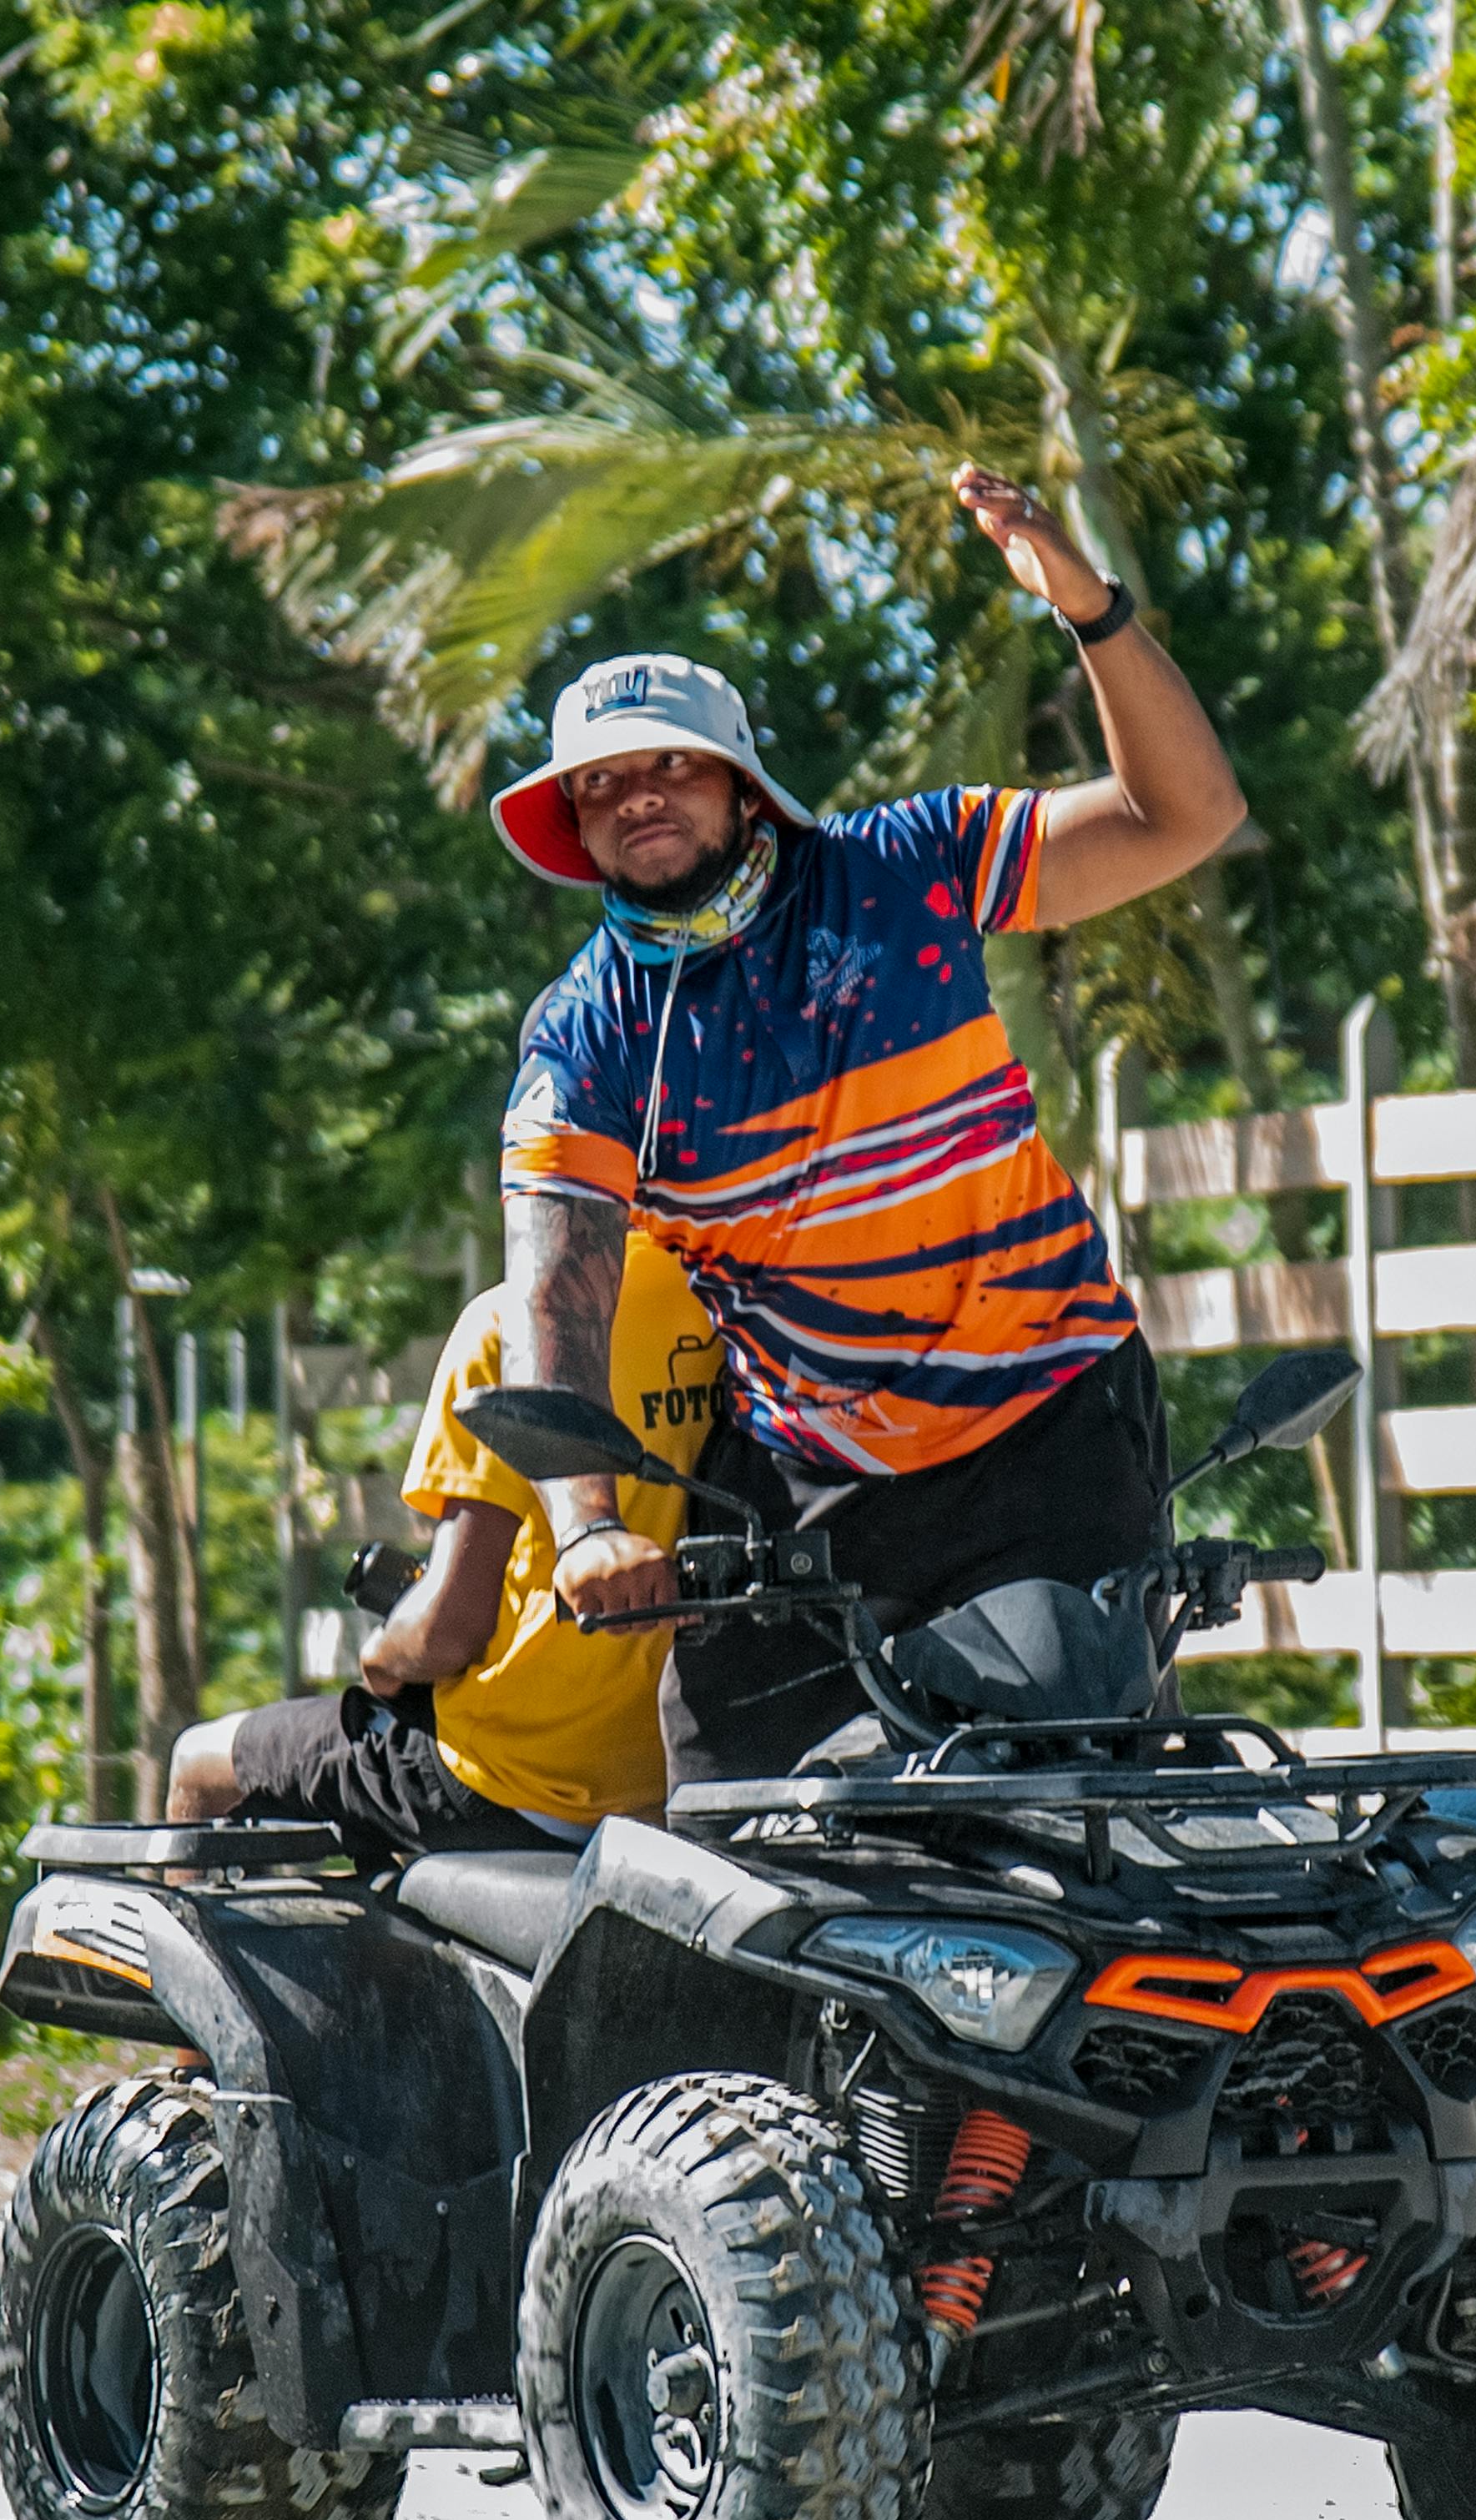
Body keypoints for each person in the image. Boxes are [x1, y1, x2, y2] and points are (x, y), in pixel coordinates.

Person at [486, 467, 1250, 1782]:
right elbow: (559, 1284)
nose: (641, 795)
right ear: (574, 822)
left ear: (743, 784)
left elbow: (1186, 817)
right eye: (604, 783)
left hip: (1046, 1416)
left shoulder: (904, 868)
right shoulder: (588, 1030)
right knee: (730, 1805)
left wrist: (1095, 613)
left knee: (1057, 1781)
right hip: (812, 1462)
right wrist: (586, 1529)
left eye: (674, 761)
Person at [165, 1230, 724, 1853]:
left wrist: (383, 1656)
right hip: (692, 1768)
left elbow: (449, 1630)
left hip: (522, 1780)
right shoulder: (757, 1310)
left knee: (199, 1760)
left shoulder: (508, 1324)